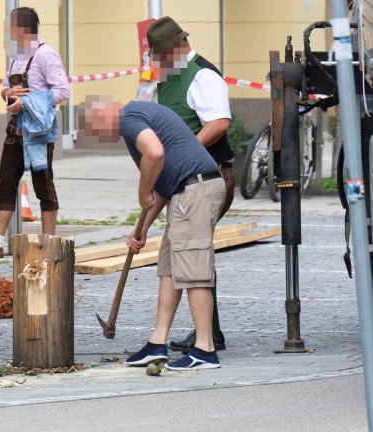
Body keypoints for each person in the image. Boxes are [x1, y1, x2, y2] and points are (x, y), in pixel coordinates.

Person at [80, 98, 226, 370]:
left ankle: (205, 348)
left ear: (102, 116)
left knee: (194, 270)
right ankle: (157, 342)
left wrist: (141, 192)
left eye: (94, 130)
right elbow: (161, 183)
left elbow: (155, 154)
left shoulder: (128, 117)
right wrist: (143, 227)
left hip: (194, 190)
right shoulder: (139, 115)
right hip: (186, 190)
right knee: (170, 269)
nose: (100, 137)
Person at [146, 16, 234, 353]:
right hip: (183, 177)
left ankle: (208, 339)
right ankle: (205, 334)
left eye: (161, 55)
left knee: (194, 249)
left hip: (210, 175)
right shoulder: (168, 77)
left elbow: (220, 122)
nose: (157, 62)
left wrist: (186, 153)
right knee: (188, 250)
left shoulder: (203, 74)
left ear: (177, 47)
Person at [0, 6, 70, 258]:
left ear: (21, 28)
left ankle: (49, 244)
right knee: (5, 183)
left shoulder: (46, 54)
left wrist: (27, 102)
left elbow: (62, 91)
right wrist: (8, 94)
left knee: (44, 186)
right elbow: (5, 88)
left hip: (39, 132)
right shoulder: (15, 54)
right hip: (15, 129)